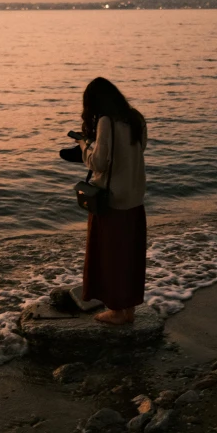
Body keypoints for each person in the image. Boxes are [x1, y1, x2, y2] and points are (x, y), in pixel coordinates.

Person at [77, 77, 147, 326]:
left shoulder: (106, 121)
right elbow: (138, 151)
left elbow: (98, 163)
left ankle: (117, 312)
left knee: (110, 257)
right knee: (129, 256)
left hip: (112, 202)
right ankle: (128, 309)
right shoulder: (136, 117)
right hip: (135, 199)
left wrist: (85, 145)